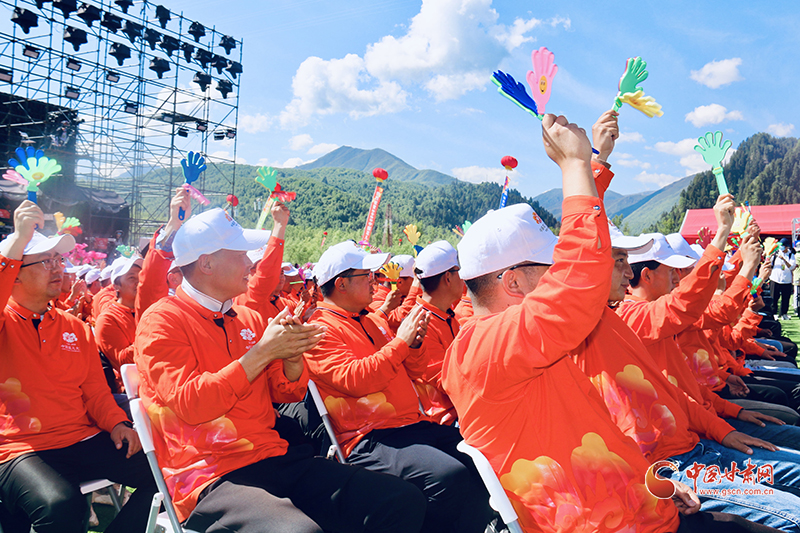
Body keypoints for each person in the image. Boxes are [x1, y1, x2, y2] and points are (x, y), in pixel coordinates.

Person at [442, 112, 693, 533]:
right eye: (549, 267)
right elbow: (579, 279)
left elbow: (579, 270)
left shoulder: (517, 341)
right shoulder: (481, 348)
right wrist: (575, 165)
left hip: (641, 505)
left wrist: (593, 165)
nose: (558, 273)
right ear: (514, 281)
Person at [134, 208, 425, 533]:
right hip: (208, 473)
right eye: (241, 254)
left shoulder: (247, 318)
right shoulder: (161, 320)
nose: (250, 263)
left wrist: (292, 357)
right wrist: (262, 352)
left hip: (270, 456)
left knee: (400, 499)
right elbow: (192, 405)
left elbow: (287, 392)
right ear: (206, 263)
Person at [575, 221, 800, 530]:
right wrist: (728, 243)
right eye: (677, 270)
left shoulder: (622, 322)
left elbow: (677, 390)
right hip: (676, 463)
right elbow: (699, 309)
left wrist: (727, 418)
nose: (681, 278)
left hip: (698, 440)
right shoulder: (631, 318)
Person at [305, 240, 495, 533]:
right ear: (341, 284)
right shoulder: (319, 329)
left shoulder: (370, 320)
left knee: (481, 458)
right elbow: (356, 380)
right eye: (367, 276)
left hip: (410, 424)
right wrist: (401, 343)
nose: (374, 282)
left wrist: (414, 345)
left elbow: (414, 370)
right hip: (368, 436)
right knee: (448, 476)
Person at [0, 201, 156, 533]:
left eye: (59, 259)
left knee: (165, 472)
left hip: (79, 438)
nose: (58, 268)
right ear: (14, 274)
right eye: (46, 261)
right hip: (17, 449)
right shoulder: (5, 322)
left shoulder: (74, 327)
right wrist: (18, 240)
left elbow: (95, 392)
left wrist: (117, 424)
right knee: (62, 506)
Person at [412, 240, 462, 425]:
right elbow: (446, 380)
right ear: (448, 278)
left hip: (463, 407)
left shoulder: (445, 314)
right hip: (448, 419)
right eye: (459, 271)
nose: (463, 277)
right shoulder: (421, 324)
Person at [770, 238, 796, 320]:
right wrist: (770, 256)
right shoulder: (776, 253)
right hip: (775, 278)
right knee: (774, 297)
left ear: (787, 247)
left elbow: (792, 267)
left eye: (783, 246)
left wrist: (784, 259)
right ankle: (774, 313)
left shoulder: (791, 255)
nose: (782, 247)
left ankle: (784, 313)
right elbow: (770, 263)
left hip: (786, 280)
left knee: (786, 298)